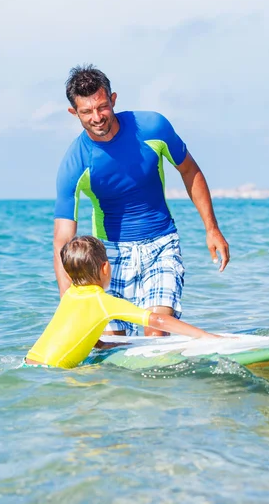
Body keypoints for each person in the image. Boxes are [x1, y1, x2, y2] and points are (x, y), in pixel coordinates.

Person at [53, 65, 229, 337]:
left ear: (113, 100)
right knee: (111, 344)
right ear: (73, 113)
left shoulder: (152, 127)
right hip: (108, 256)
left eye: (102, 107)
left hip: (161, 244)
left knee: (156, 333)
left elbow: (189, 170)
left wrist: (211, 228)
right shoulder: (75, 162)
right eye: (86, 112)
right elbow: (63, 238)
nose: (97, 117)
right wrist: (67, 298)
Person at [25, 236, 219, 368]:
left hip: (30, 362)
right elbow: (157, 321)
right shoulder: (104, 301)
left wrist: (101, 343)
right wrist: (204, 336)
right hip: (53, 369)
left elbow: (74, 329)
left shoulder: (70, 294)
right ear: (105, 268)